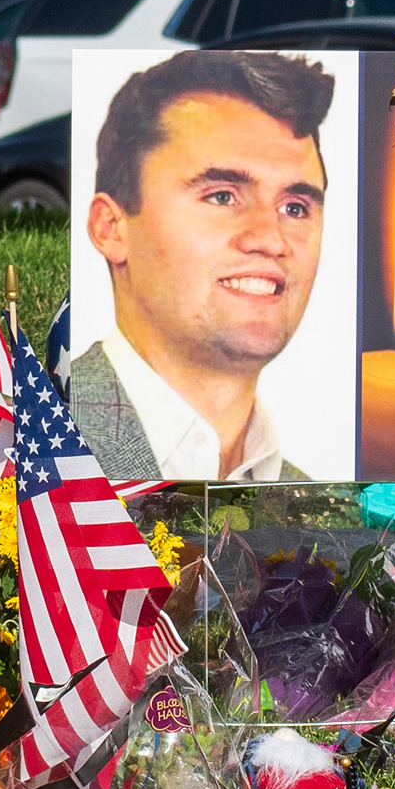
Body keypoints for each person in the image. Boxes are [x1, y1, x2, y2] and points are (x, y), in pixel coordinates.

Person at [71, 47, 335, 481]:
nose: (270, 239)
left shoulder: (320, 504)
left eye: (295, 207)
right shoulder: (38, 445)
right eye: (222, 196)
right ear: (111, 228)